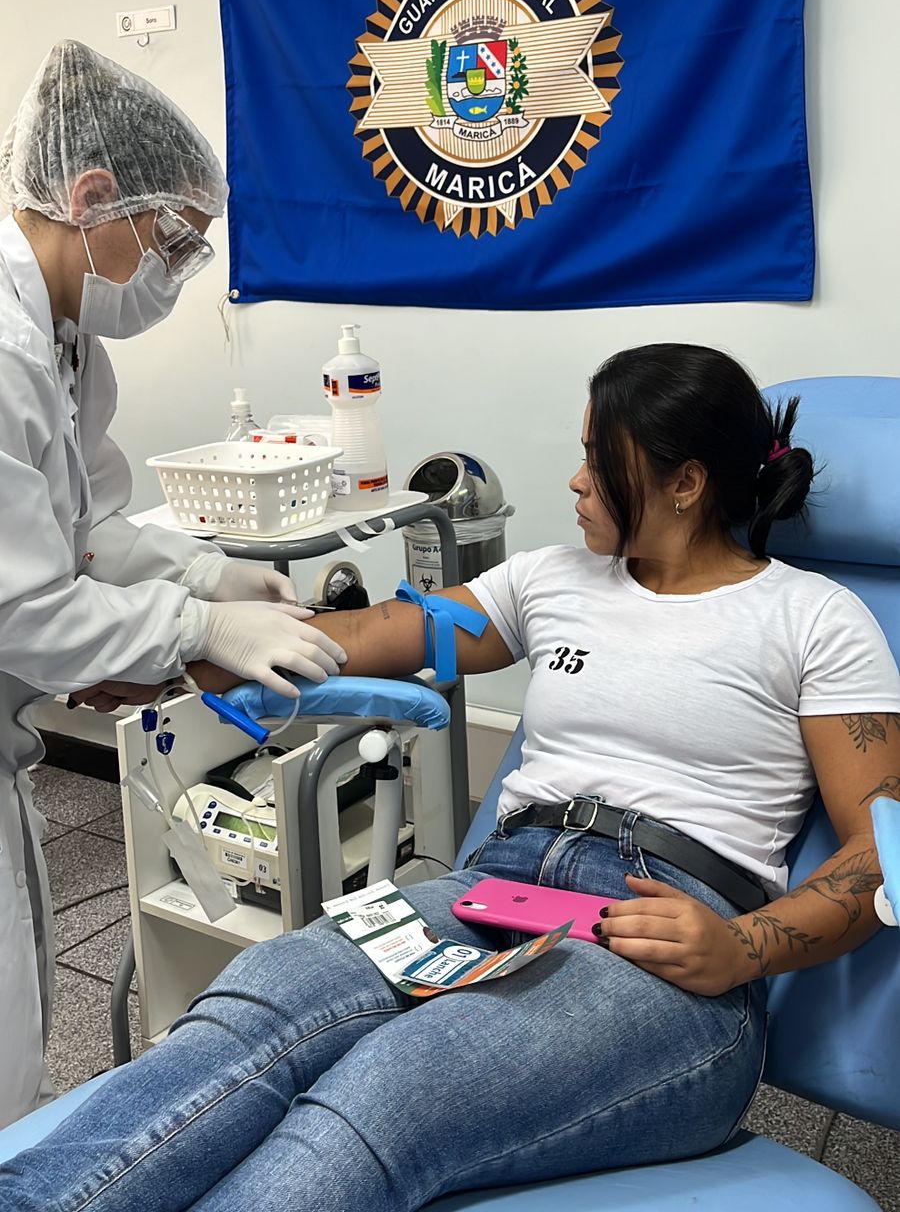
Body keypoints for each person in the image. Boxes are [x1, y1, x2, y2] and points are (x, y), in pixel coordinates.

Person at [2, 344, 899, 1212]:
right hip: (492, 891)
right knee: (257, 1003)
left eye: (600, 459)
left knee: (388, 1093)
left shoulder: (812, 617)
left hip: (663, 940)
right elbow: (362, 638)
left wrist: (746, 947)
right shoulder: (552, 581)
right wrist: (196, 638)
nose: (577, 481)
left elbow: (881, 851)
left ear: (686, 483)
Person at [0, 41, 345, 1129]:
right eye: (178, 239)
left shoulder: (65, 345)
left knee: (20, 1028)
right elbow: (27, 607)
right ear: (93, 196)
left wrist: (210, 571)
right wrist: (200, 622)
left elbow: (92, 531)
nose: (182, 270)